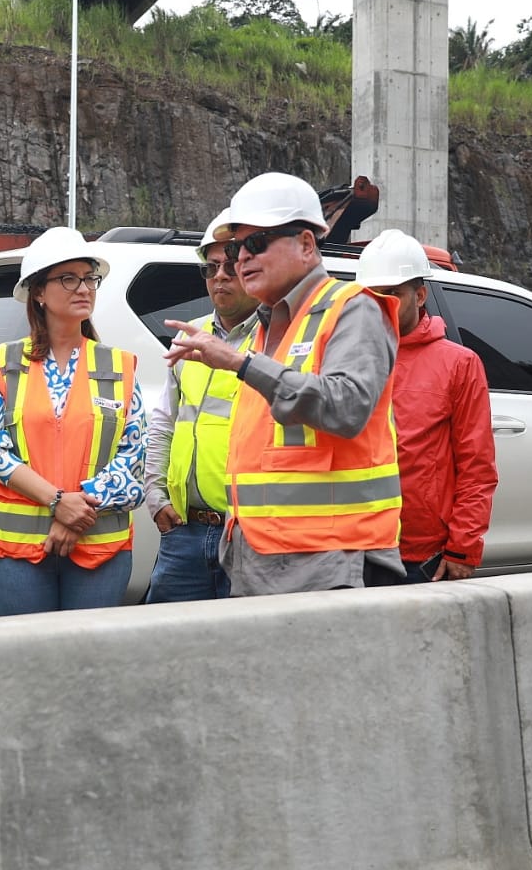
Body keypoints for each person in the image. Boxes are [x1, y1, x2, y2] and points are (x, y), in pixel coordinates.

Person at [164, 172, 404, 595]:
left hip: (329, 560)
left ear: (307, 244)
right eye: (238, 248)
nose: (241, 260)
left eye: (256, 244)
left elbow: (345, 407)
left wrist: (242, 364)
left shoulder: (352, 309)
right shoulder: (264, 328)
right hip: (259, 560)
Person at [0, 226, 145, 614]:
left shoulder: (119, 367)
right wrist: (57, 501)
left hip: (100, 550)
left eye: (89, 278)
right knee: (31, 663)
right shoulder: (3, 363)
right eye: (68, 278)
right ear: (38, 292)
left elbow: (133, 459)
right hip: (16, 552)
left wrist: (75, 515)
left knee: (88, 662)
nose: (83, 288)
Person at [355, 229, 497, 581]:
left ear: (419, 295)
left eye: (393, 294)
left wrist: (463, 547)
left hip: (420, 556)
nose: (381, 304)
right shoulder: (344, 357)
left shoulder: (459, 364)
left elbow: (477, 467)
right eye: (372, 296)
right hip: (350, 548)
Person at [145, 210, 261, 602]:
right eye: (210, 268)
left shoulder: (276, 338)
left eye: (231, 265)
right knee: (168, 651)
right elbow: (164, 422)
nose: (220, 277)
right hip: (185, 532)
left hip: (249, 534)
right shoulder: (189, 336)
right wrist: (155, 496)